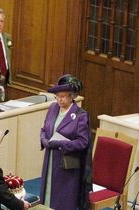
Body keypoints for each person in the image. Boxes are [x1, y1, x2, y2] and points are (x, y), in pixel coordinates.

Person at [39, 74, 92, 210]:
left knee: (62, 200)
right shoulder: (52, 108)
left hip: (66, 166)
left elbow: (82, 142)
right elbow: (44, 128)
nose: (59, 100)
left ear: (71, 96)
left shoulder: (80, 115)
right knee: (47, 194)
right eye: (57, 96)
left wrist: (60, 144)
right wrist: (44, 139)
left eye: (62, 96)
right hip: (50, 159)